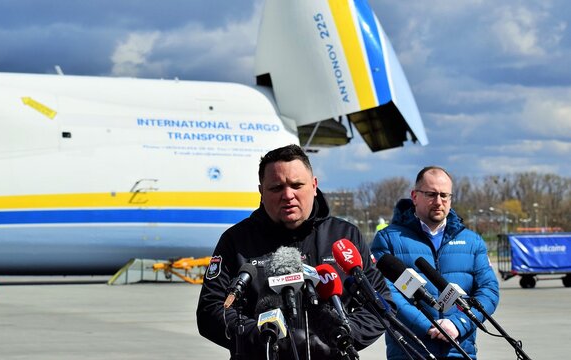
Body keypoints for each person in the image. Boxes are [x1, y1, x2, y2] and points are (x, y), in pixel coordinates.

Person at [196, 144, 392, 359]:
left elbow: (381, 304)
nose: (288, 195)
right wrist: (266, 338)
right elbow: (211, 311)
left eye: (297, 185)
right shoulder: (236, 240)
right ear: (261, 191)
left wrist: (340, 336)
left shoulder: (346, 236)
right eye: (276, 188)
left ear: (314, 185)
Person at [371, 166, 499, 359]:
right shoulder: (388, 239)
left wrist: (459, 324)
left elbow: (489, 290)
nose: (438, 202)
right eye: (431, 194)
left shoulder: (473, 242)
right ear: (414, 196)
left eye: (444, 195)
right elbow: (385, 291)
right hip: (411, 351)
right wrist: (429, 326)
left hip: (459, 350)